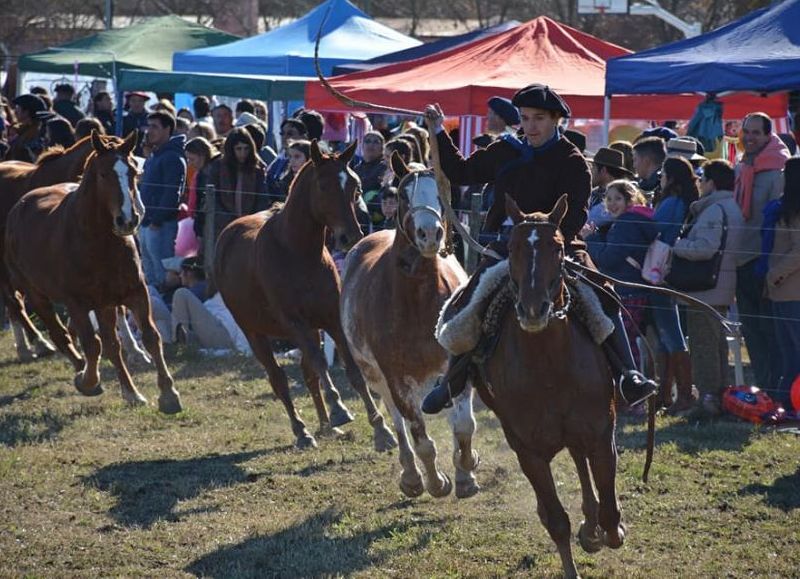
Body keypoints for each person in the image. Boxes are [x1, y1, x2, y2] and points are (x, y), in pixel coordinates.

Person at [421, 83, 657, 413]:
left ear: (557, 120)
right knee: (469, 299)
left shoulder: (572, 160)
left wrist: (550, 242)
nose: (530, 126)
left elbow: (576, 212)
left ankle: (627, 376)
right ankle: (453, 379)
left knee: (602, 294)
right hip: (507, 247)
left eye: (539, 119)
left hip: (558, 246)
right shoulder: (505, 151)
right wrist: (438, 131)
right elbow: (460, 171)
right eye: (525, 118)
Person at [672, 160, 745, 416]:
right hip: (720, 287)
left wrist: (676, 246)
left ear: (711, 183)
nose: (699, 184)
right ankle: (721, 397)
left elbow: (705, 248)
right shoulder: (730, 206)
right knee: (716, 345)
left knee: (704, 346)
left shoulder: (715, 210)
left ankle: (707, 400)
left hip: (706, 289)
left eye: (702, 179)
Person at [735, 112, 791, 391]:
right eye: (747, 131)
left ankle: (778, 391)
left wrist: (769, 266)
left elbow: (777, 225)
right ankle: (763, 389)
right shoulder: (744, 165)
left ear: (769, 135)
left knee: (771, 332)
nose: (749, 137)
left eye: (756, 132)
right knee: (752, 332)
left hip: (764, 262)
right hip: (741, 260)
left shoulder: (778, 169)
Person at [587, 179, 656, 369]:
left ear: (630, 200)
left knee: (624, 339)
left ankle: (633, 379)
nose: (612, 203)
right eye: (608, 199)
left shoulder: (626, 223)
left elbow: (609, 258)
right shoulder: (633, 221)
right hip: (634, 289)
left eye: (618, 198)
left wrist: (590, 238)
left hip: (627, 289)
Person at [650, 156, 698, 411]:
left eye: (663, 173)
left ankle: (683, 394)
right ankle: (668, 393)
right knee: (667, 332)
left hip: (660, 270)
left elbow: (655, 231)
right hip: (668, 269)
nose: (660, 178)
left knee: (670, 332)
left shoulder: (671, 203)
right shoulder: (682, 201)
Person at [766, 157, 800, 410]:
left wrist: (775, 273)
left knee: (795, 352)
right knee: (788, 353)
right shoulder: (787, 208)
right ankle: (785, 403)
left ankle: (790, 403)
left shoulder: (797, 212)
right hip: (782, 291)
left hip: (792, 291)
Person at [139, 111, 187, 288]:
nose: (149, 131)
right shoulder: (155, 155)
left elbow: (172, 193)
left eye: (155, 127)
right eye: (148, 126)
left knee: (162, 274)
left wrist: (157, 220)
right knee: (150, 273)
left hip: (160, 224)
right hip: (147, 222)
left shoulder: (173, 157)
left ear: (168, 129)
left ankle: (165, 308)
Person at [206, 127, 268, 241]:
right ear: (231, 149)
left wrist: (251, 221)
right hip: (222, 227)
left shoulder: (258, 169)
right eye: (238, 149)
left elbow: (262, 199)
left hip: (250, 227)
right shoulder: (217, 167)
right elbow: (213, 200)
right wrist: (229, 221)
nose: (243, 153)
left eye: (246, 149)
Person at [181, 136, 220, 252]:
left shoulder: (214, 172)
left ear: (202, 155)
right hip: (202, 224)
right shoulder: (201, 173)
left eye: (192, 159)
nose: (190, 164)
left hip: (214, 224)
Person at [585, 147, 634, 234]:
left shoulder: (621, 196)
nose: (590, 172)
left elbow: (590, 220)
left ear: (603, 170)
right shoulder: (593, 193)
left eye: (593, 168)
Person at [352, 131, 387, 228]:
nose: (371, 144)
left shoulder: (385, 168)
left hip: (378, 218)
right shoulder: (356, 169)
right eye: (367, 141)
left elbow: (385, 192)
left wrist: (368, 208)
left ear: (382, 148)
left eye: (376, 142)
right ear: (362, 146)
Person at [7, 94, 47, 162]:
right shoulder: (22, 130)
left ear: (26, 112)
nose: (15, 111)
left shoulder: (37, 134)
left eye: (18, 108)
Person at [633, 136, 667, 201]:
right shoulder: (644, 185)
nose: (634, 165)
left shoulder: (662, 188)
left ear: (646, 161)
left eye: (635, 160)